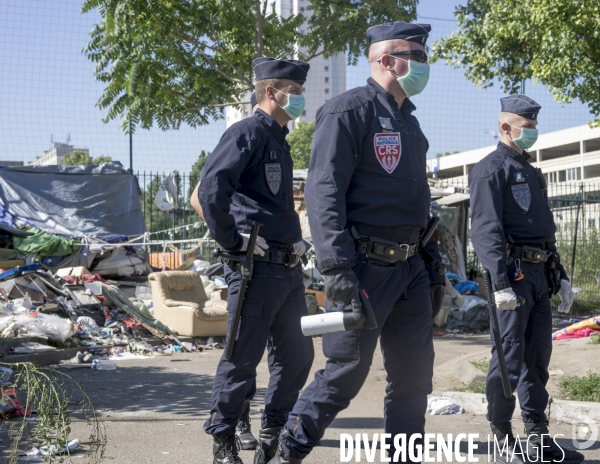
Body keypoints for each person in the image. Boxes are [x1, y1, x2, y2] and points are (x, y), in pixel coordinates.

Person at [268, 21, 441, 463]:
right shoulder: (347, 112)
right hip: (362, 269)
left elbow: (419, 202)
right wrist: (336, 269)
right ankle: (285, 453)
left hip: (410, 270)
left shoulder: (411, 124)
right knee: (345, 372)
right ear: (387, 60)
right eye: (415, 56)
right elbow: (324, 194)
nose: (423, 64)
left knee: (414, 377)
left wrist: (433, 262)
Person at [197, 58, 315, 464]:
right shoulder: (246, 132)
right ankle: (223, 440)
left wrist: (296, 240)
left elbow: (273, 205)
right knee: (242, 358)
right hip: (255, 270)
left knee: (298, 356)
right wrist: (232, 243)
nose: (300, 99)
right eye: (295, 92)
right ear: (271, 92)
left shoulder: (278, 139)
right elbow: (210, 190)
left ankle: (272, 431)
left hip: (286, 269)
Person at [468, 95, 583, 464]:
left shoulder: (531, 170)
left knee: (537, 356)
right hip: (512, 275)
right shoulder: (490, 169)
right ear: (506, 126)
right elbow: (486, 229)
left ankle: (537, 433)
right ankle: (502, 435)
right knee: (509, 356)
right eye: (527, 126)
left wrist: (560, 274)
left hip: (538, 273)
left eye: (533, 126)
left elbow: (544, 229)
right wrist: (499, 283)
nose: (532, 132)